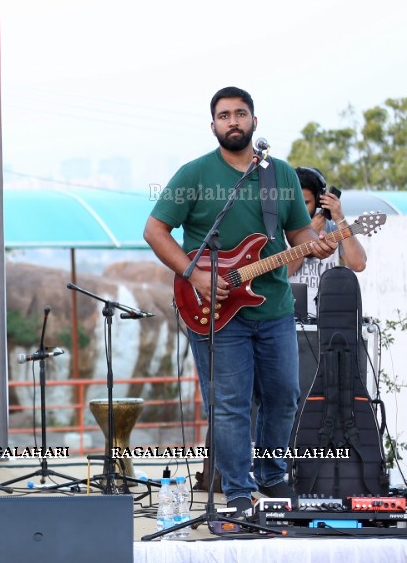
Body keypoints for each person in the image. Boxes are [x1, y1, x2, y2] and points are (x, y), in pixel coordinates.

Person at [143, 87, 335, 516]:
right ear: (213, 125)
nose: (233, 121)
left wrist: (317, 245)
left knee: (284, 394)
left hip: (274, 308)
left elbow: (298, 236)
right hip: (215, 310)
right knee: (230, 403)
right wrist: (197, 274)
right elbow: (155, 231)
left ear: (254, 121)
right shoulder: (193, 175)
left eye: (241, 113)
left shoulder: (281, 175)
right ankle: (237, 488)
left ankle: (271, 473)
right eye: (224, 115)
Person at [287, 166, 367, 316]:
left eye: (305, 202)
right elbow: (282, 274)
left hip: (328, 319)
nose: (299, 208)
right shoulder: (278, 228)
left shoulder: (332, 227)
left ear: (319, 202)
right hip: (289, 318)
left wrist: (340, 218)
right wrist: (307, 237)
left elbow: (359, 264)